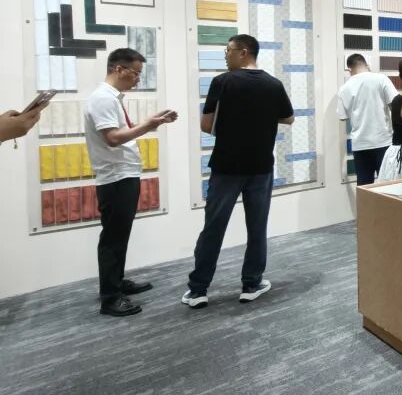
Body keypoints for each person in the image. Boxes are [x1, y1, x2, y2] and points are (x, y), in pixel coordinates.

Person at [184, 34, 294, 309]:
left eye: (228, 50)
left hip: (226, 166)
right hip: (260, 167)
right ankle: (251, 284)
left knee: (213, 227)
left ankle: (198, 290)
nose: (225, 55)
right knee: (257, 228)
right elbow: (289, 117)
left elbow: (206, 125)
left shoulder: (222, 82)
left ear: (243, 52)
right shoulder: (274, 84)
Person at [85, 48, 178, 317]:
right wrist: (147, 125)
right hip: (116, 176)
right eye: (135, 73)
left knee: (119, 234)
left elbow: (119, 132)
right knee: (113, 238)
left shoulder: (110, 97)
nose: (138, 79)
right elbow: (113, 138)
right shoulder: (103, 98)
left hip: (122, 174)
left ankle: (116, 282)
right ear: (118, 69)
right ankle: (110, 297)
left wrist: (152, 122)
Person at [336, 53, 398, 185]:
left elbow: (342, 117)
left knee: (364, 186)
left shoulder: (344, 88)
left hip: (360, 144)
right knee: (388, 185)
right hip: (383, 141)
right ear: (367, 65)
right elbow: (395, 106)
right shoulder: (381, 79)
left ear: (349, 69)